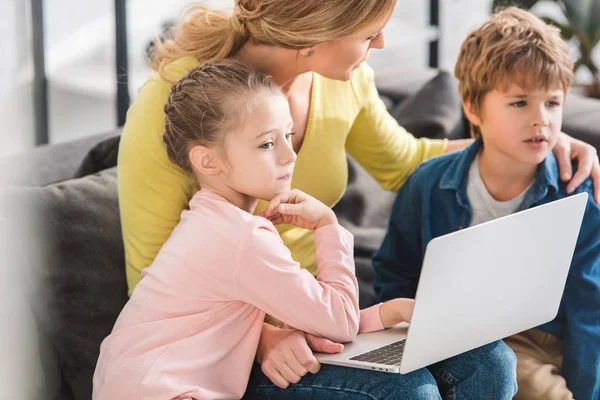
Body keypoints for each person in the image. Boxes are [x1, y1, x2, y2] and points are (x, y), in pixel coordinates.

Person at [118, 0, 598, 396]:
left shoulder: (343, 81)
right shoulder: (179, 99)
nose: (382, 43)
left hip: (324, 312)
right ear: (319, 31)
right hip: (239, 342)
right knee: (411, 391)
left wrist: (535, 142)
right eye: (370, 33)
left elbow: (406, 160)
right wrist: (265, 337)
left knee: (491, 361)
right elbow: (156, 274)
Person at [93, 60, 417, 399]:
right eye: (267, 144)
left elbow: (318, 320)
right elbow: (339, 321)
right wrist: (326, 225)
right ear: (207, 161)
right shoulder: (240, 238)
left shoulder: (214, 223)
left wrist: (387, 313)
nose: (290, 155)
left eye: (288, 136)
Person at [372, 7, 600, 400]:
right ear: (473, 108)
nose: (541, 120)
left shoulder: (576, 192)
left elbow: (589, 303)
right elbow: (395, 273)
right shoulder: (428, 183)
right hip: (451, 334)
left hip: (545, 335)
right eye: (519, 103)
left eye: (552, 103)